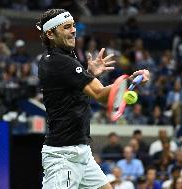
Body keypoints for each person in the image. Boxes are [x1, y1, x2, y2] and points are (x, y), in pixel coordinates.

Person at [37, 9, 150, 189]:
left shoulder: (59, 58)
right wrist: (132, 81)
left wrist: (89, 74)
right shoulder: (60, 62)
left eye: (73, 26)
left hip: (82, 153)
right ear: (50, 33)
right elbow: (100, 94)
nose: (73, 30)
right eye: (66, 27)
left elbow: (99, 98)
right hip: (63, 156)